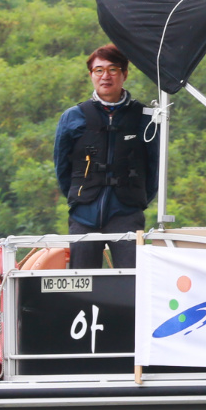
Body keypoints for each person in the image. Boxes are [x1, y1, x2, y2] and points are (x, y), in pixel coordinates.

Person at [53, 44, 158, 269]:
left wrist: (136, 200)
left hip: (127, 212)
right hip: (83, 213)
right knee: (82, 283)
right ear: (91, 75)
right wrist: (79, 196)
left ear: (125, 74)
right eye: (98, 70)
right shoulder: (73, 117)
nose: (105, 76)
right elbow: (62, 167)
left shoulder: (145, 117)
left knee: (132, 282)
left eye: (113, 69)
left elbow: (155, 168)